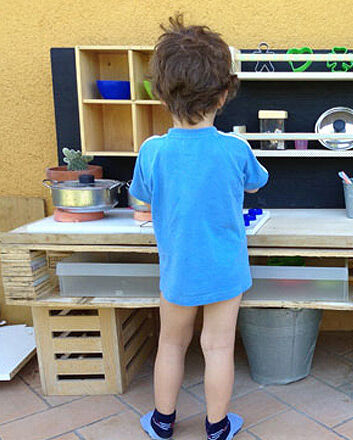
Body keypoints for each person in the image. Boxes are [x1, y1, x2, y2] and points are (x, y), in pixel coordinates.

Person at [129, 13, 268, 440]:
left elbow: (142, 197)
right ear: (225, 93)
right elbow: (257, 183)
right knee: (218, 346)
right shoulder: (236, 148)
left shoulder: (152, 150)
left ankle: (162, 421)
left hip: (177, 271)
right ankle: (217, 426)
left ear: (160, 93)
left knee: (171, 344)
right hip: (226, 270)